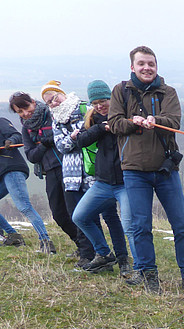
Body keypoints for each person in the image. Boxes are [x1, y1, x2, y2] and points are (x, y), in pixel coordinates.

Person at [107, 45, 184, 294]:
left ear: (156, 67)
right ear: (132, 67)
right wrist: (131, 122)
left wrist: (156, 121)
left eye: (151, 64)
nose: (147, 68)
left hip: (165, 169)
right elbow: (113, 124)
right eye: (142, 64)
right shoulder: (120, 91)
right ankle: (149, 277)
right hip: (134, 170)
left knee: (181, 225)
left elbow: (174, 122)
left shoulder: (167, 91)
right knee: (141, 226)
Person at [44, 80, 127, 271]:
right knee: (81, 216)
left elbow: (81, 138)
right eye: (49, 102)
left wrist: (76, 137)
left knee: (110, 216)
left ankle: (122, 259)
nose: (53, 103)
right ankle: (101, 255)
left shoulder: (89, 110)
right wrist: (81, 135)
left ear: (62, 93)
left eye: (54, 97)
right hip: (80, 174)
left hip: (103, 173)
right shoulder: (68, 119)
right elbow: (64, 145)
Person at [71, 80, 134, 276]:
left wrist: (114, 125)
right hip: (103, 182)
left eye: (104, 101)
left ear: (111, 98)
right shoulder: (93, 120)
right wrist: (101, 128)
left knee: (127, 224)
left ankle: (128, 262)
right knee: (80, 217)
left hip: (126, 181)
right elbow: (81, 141)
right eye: (96, 102)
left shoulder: (123, 115)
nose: (100, 106)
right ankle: (104, 254)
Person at [10, 91, 79, 255]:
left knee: (75, 211)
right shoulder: (27, 129)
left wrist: (47, 142)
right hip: (49, 171)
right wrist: (44, 144)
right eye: (20, 111)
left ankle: (87, 249)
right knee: (58, 214)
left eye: (26, 107)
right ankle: (81, 244)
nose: (25, 113)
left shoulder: (52, 114)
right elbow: (31, 156)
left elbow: (65, 137)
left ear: (33, 102)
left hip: (69, 167)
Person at [0, 116, 54, 252]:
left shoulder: (1, 121)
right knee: (24, 206)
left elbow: (16, 135)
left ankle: (46, 242)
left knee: (24, 206)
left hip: (12, 168)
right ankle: (13, 235)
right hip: (2, 172)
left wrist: (10, 141)